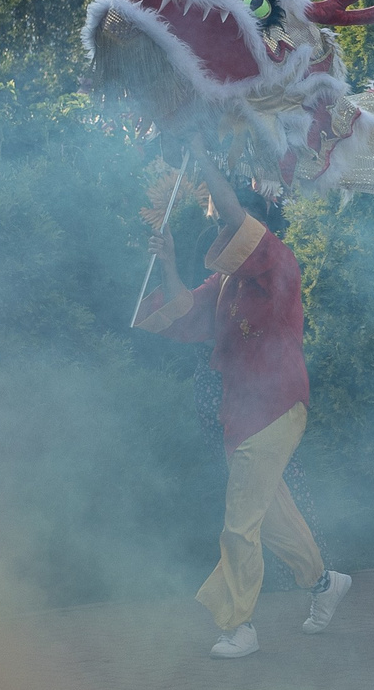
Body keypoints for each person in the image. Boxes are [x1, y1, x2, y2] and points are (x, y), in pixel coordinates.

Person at [140, 159, 351, 659]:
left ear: (254, 229)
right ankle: (324, 583)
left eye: (225, 225)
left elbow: (234, 213)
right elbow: (187, 313)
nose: (219, 231)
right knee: (271, 516)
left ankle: (239, 626)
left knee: (240, 520)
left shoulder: (279, 264)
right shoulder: (227, 284)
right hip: (241, 411)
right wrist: (169, 262)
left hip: (276, 406)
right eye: (216, 226)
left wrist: (203, 153)